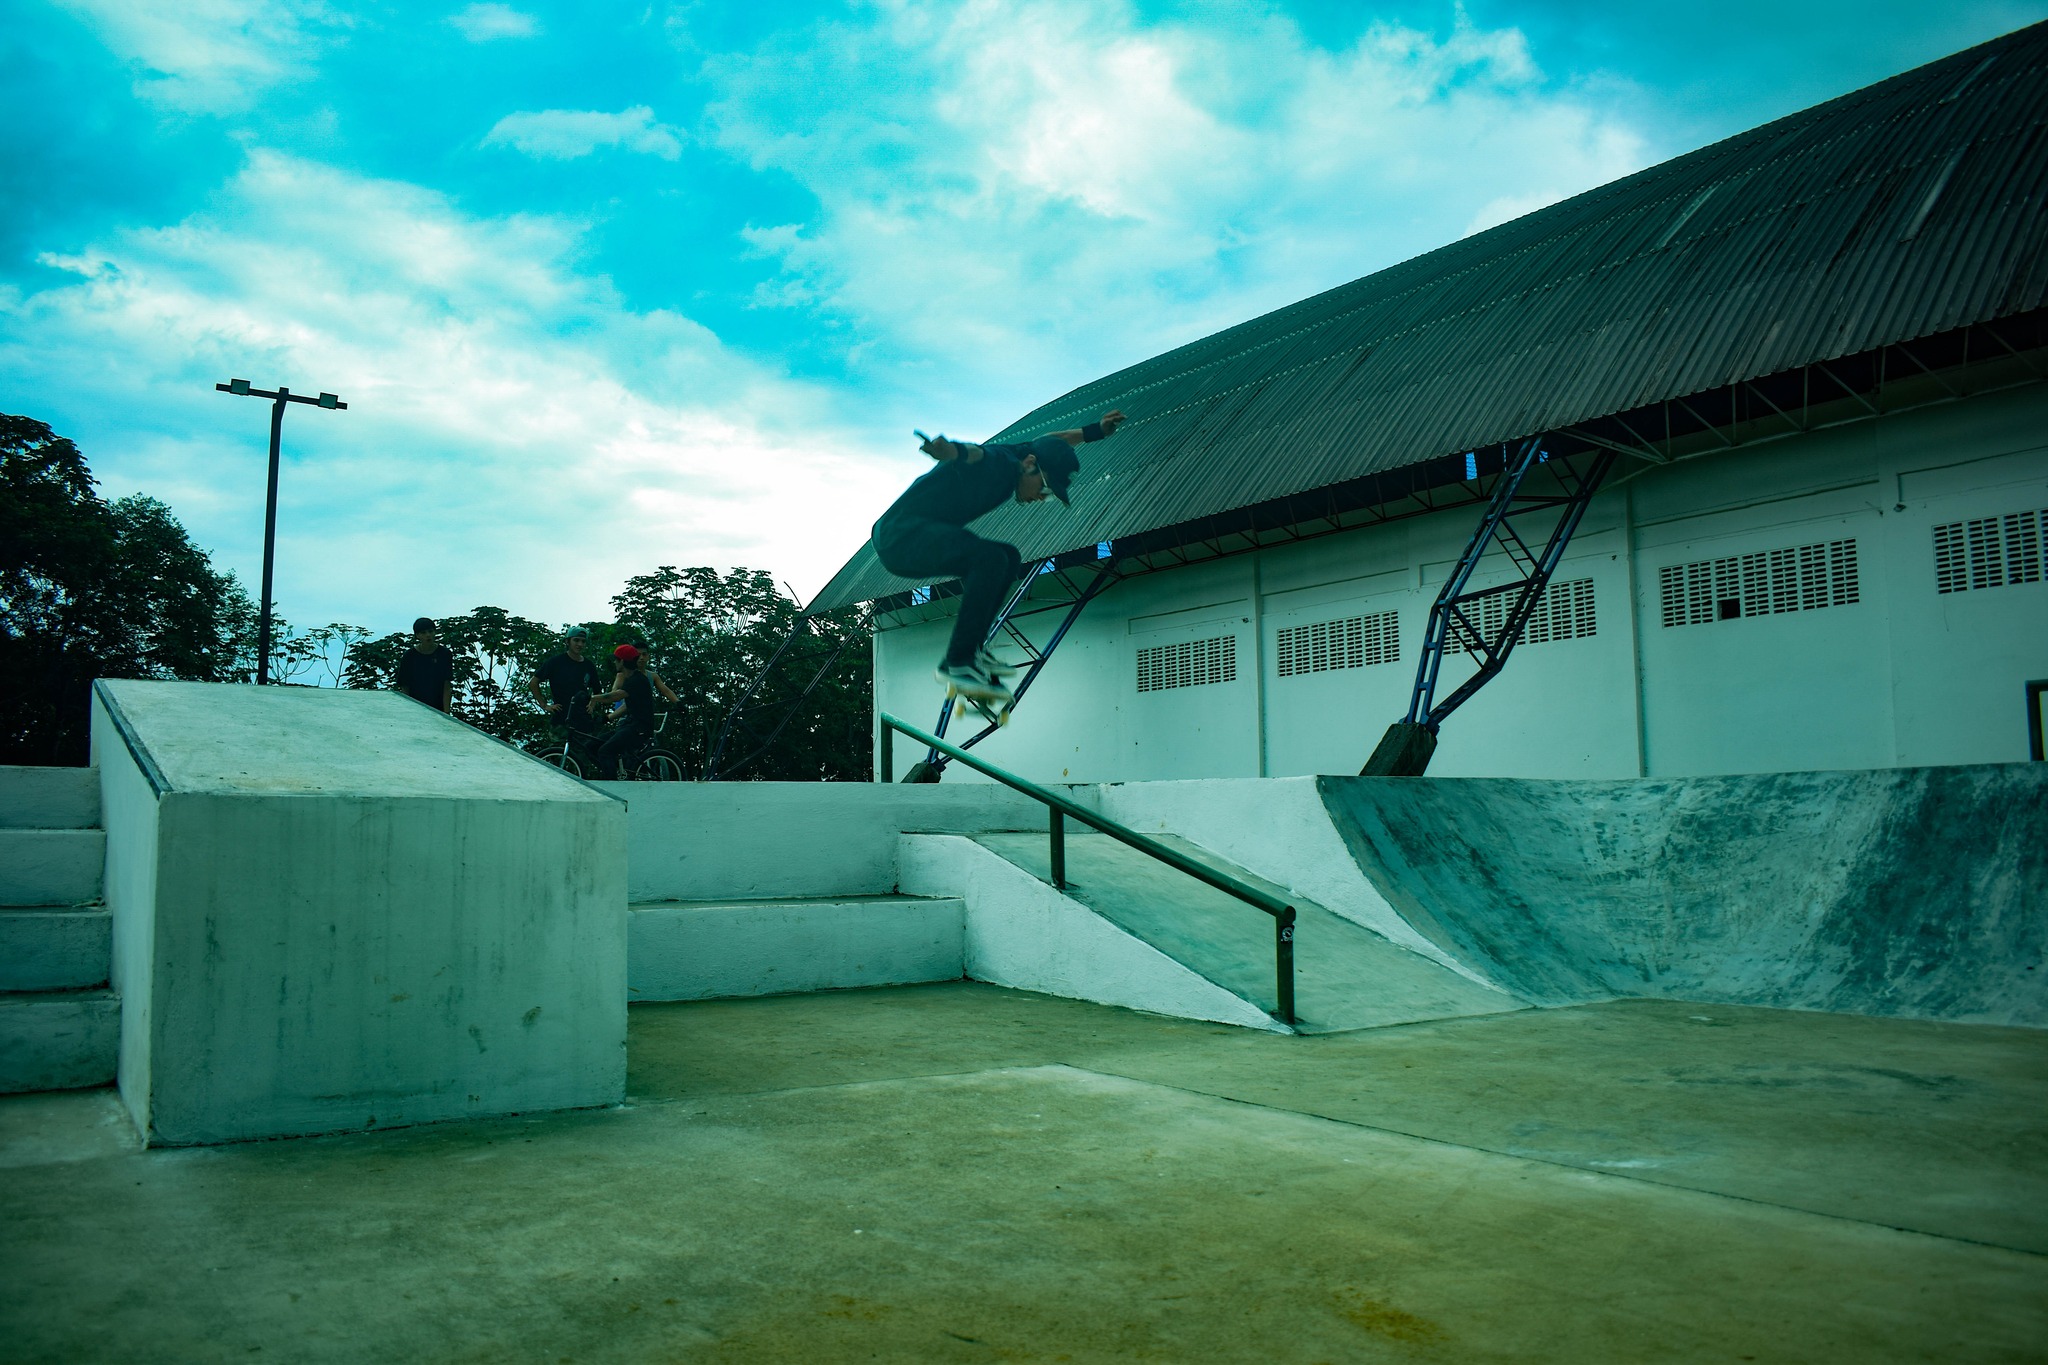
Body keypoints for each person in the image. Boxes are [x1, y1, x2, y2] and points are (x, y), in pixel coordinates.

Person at [871, 409, 1125, 703]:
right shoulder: (1002, 464)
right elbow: (976, 454)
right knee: (989, 558)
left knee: (1008, 557)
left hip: (910, 535)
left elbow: (1054, 439)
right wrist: (949, 450)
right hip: (901, 536)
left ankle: (969, 651)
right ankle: (958, 662)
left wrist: (1097, 430)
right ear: (1030, 466)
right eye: (1044, 487)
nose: (1041, 497)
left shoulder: (1025, 453)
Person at [589, 644, 679, 779]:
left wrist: (592, 697)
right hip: (629, 725)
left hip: (639, 729)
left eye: (616, 659)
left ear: (622, 661)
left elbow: (615, 696)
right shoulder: (628, 678)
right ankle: (614, 772)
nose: (614, 662)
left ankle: (613, 785)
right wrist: (608, 717)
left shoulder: (638, 680)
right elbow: (626, 706)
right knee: (591, 745)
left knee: (605, 751)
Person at [528, 627, 605, 746]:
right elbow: (533, 682)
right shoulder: (555, 662)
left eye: (583, 641)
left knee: (581, 758)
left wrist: (592, 705)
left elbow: (597, 690)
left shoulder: (588, 665)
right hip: (561, 719)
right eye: (576, 640)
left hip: (582, 721)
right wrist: (544, 705)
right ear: (567, 642)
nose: (580, 644)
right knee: (556, 756)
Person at [394, 616, 455, 712]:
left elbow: (446, 686)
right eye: (423, 633)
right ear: (417, 635)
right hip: (415, 708)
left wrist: (447, 712)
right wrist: (407, 710)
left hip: (438, 708)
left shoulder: (444, 654)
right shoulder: (409, 656)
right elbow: (404, 687)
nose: (428, 635)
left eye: (430, 631)